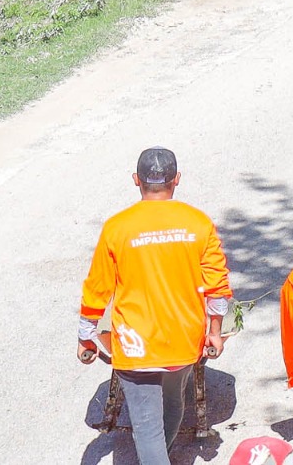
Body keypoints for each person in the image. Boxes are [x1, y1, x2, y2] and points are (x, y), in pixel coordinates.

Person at [79, 148, 233, 465]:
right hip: (183, 342)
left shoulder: (117, 227)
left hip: (136, 348)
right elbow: (218, 288)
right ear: (176, 180)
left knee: (147, 433)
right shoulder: (198, 223)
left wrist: (86, 339)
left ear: (136, 181)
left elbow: (96, 290)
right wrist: (215, 333)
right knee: (174, 400)